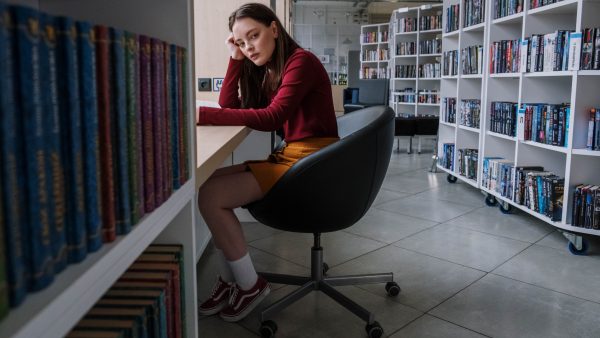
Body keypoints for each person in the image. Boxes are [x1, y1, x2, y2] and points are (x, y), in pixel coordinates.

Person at [196, 3, 339, 322]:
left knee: (211, 196)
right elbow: (229, 105)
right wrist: (234, 60)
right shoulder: (270, 70)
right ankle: (231, 280)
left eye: (254, 36)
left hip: (314, 163)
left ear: (275, 28)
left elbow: (273, 116)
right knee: (206, 184)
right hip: (295, 156)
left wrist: (201, 115)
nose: (248, 47)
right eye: (241, 42)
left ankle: (249, 285)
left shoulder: (300, 62)